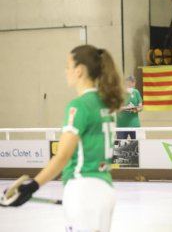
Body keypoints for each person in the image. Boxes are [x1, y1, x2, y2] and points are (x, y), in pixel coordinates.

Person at [1, 45, 124, 232]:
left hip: (83, 189)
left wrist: (31, 187)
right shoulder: (107, 104)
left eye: (68, 66)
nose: (65, 72)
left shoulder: (79, 106)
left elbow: (62, 156)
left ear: (79, 71)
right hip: (105, 190)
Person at [117, 75, 143, 140]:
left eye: (133, 82)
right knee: (120, 147)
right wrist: (127, 108)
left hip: (134, 124)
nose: (132, 84)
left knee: (136, 147)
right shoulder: (120, 92)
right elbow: (117, 108)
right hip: (121, 125)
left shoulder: (136, 92)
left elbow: (140, 108)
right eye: (130, 82)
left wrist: (133, 109)